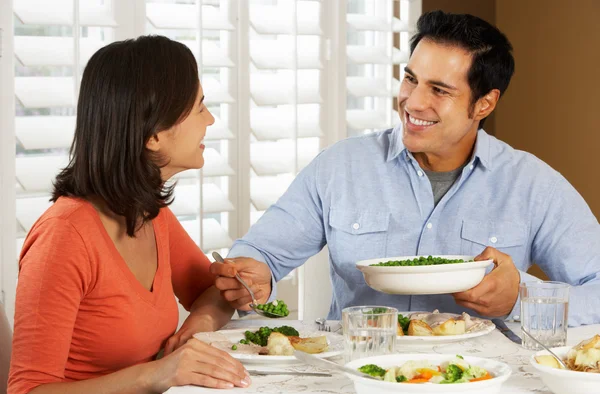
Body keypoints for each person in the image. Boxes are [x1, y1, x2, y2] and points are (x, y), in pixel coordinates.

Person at [211, 11, 600, 327]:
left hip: (481, 382)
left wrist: (521, 299)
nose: (413, 102)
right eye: (411, 79)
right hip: (357, 377)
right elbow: (259, 253)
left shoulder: (533, 185)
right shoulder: (340, 167)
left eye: (439, 90)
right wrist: (253, 277)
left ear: (484, 104)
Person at [8, 35, 250, 394]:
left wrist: (196, 325)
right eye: (200, 107)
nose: (211, 120)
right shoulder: (64, 237)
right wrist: (156, 374)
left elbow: (213, 292)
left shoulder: (151, 215)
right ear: (153, 134)